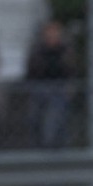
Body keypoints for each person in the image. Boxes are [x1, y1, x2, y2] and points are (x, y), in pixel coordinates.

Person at [25, 20, 76, 148]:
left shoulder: (65, 50)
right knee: (34, 117)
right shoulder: (38, 50)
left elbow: (69, 70)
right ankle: (37, 147)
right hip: (41, 87)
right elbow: (32, 70)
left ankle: (53, 146)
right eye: (49, 35)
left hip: (59, 89)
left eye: (55, 34)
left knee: (54, 117)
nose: (52, 38)